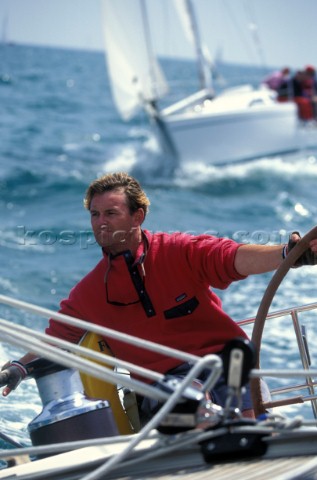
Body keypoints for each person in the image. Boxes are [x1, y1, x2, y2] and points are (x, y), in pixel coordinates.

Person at [1, 172, 317, 423]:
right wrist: (18, 367)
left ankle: (254, 445)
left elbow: (232, 258)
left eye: (111, 212)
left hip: (225, 363)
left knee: (241, 385)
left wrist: (289, 254)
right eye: (95, 214)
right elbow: (56, 339)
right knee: (188, 397)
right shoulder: (90, 292)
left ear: (138, 216)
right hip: (164, 388)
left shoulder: (179, 252)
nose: (101, 222)